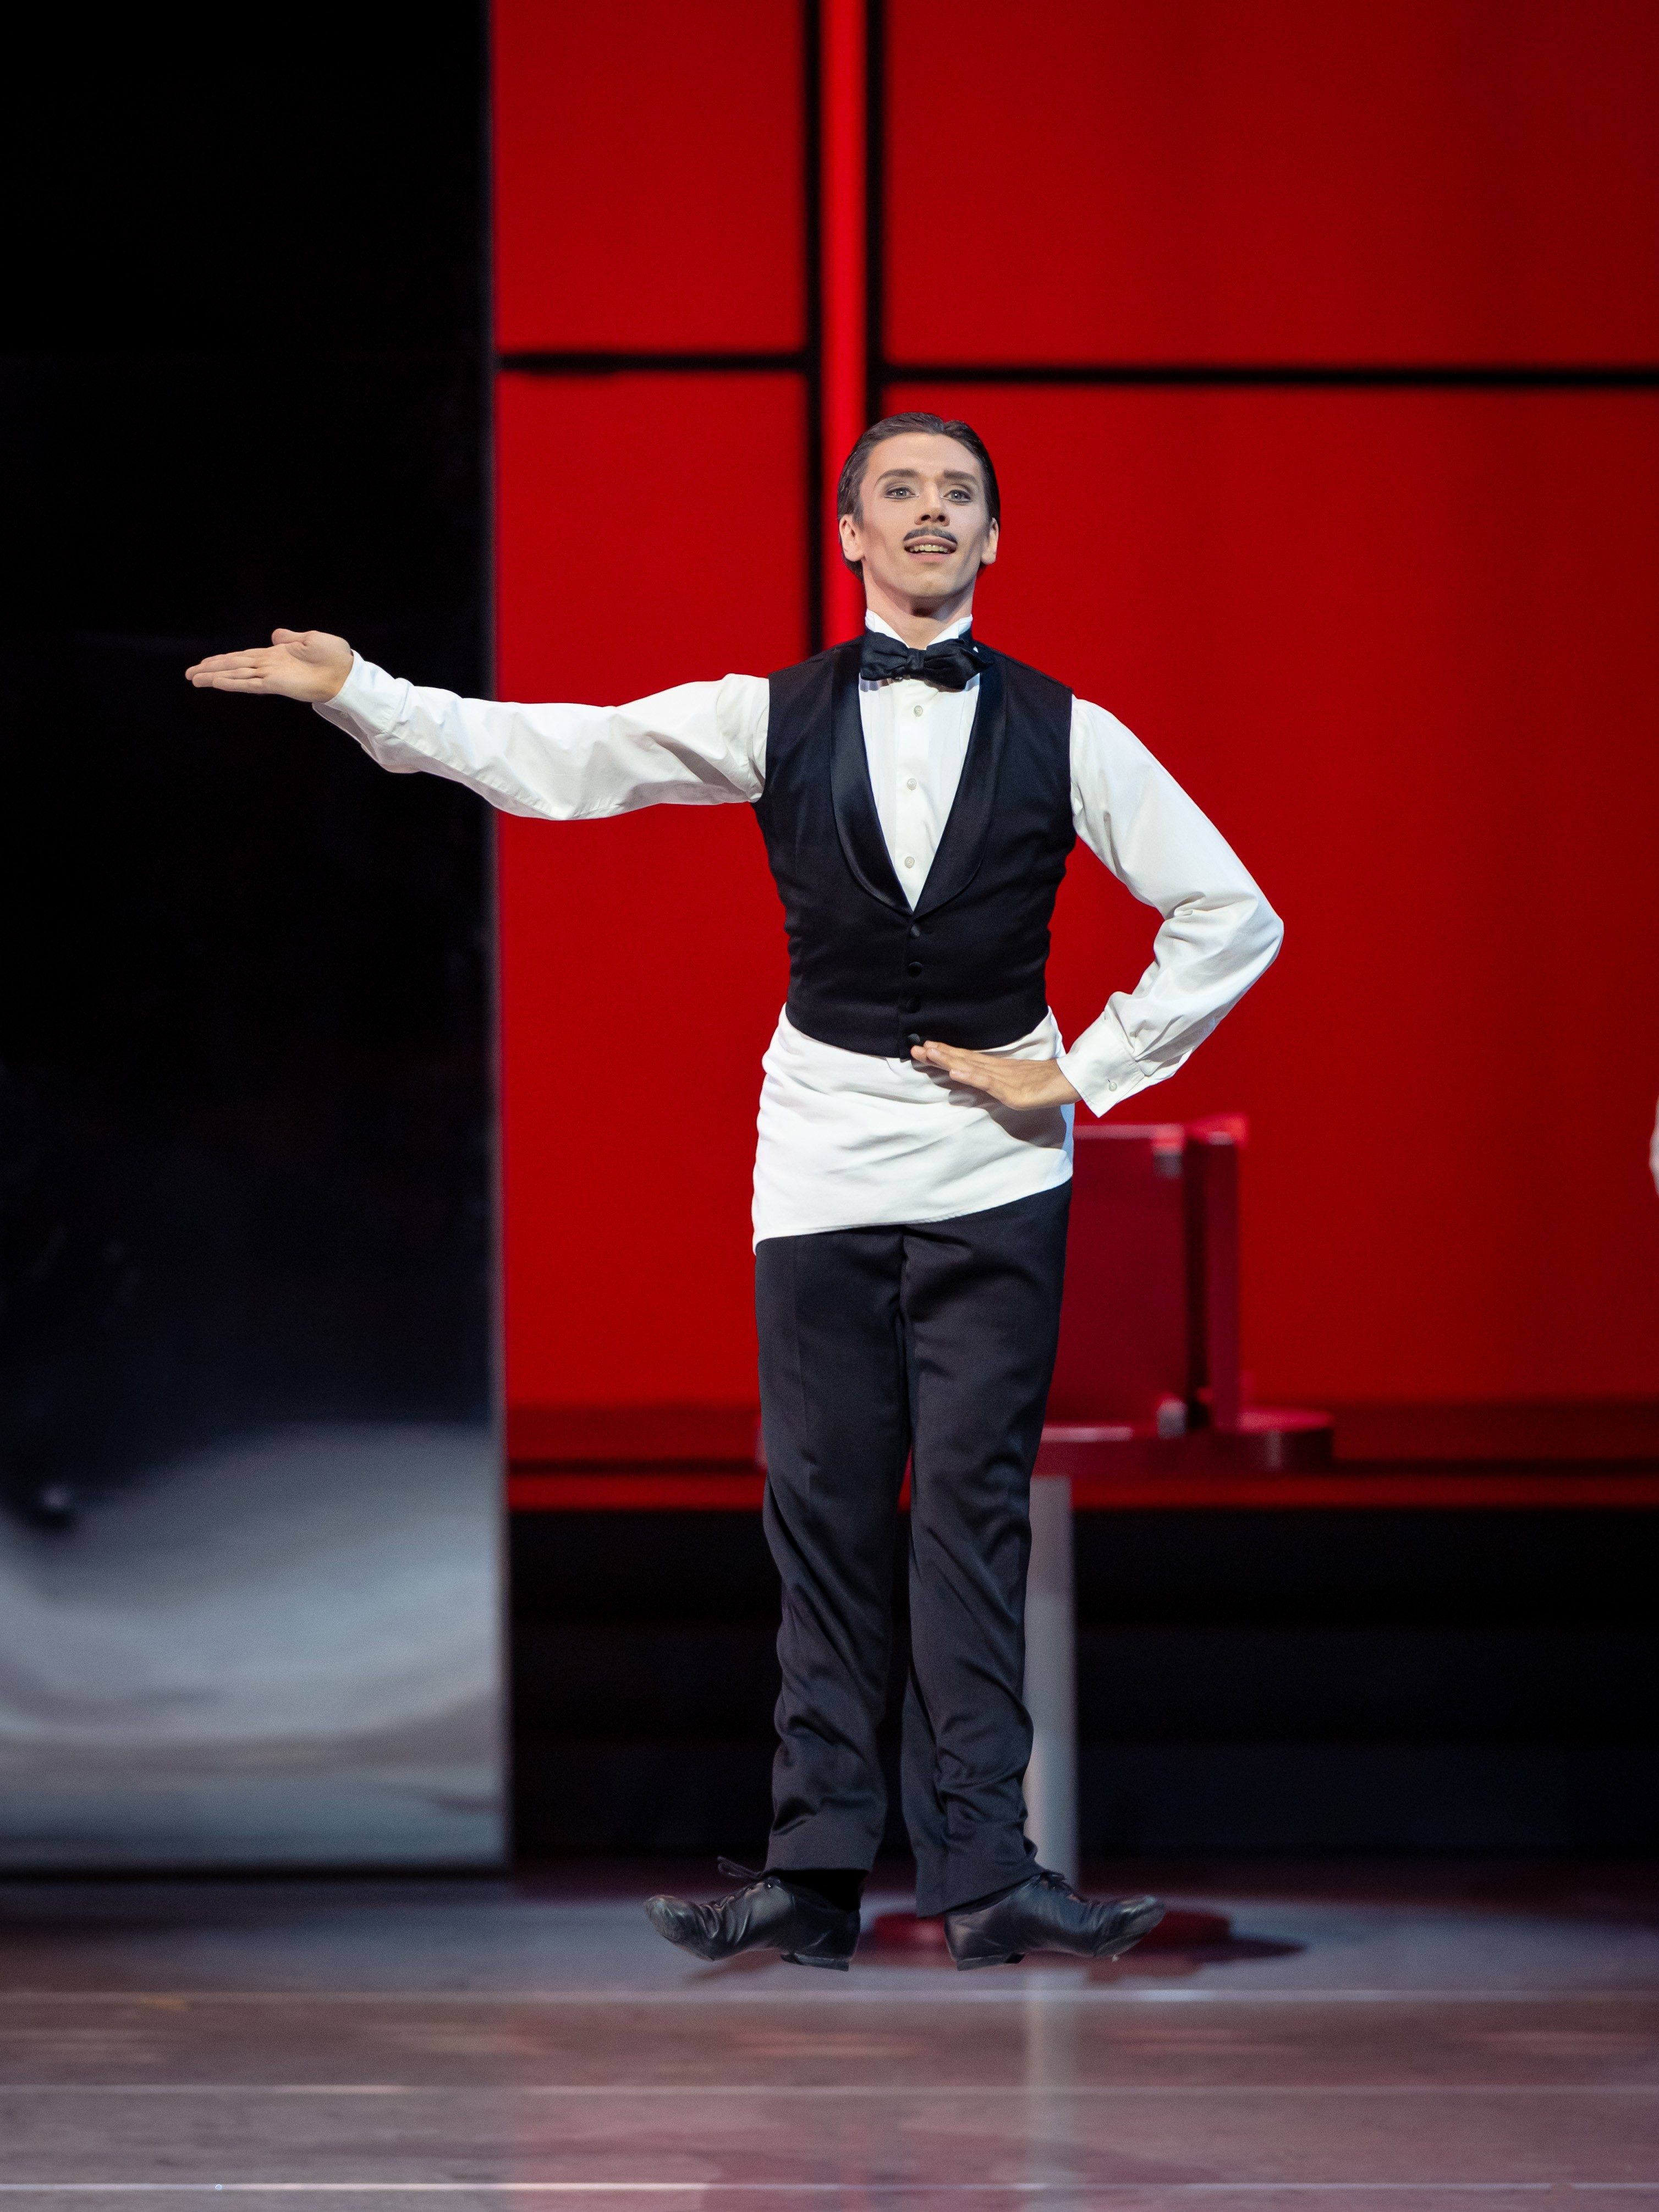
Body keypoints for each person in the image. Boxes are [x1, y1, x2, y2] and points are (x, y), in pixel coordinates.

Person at [188, 412, 1282, 1971]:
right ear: (849, 534)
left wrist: (1087, 1072)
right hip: (823, 1150)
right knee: (825, 1513)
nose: (927, 514)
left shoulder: (1068, 730)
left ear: (993, 540)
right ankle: (817, 1875)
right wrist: (364, 692)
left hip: (994, 1165)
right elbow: (563, 759)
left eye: (955, 495)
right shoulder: (770, 715)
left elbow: (1230, 911)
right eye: (898, 492)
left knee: (970, 1513)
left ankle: (987, 1874)